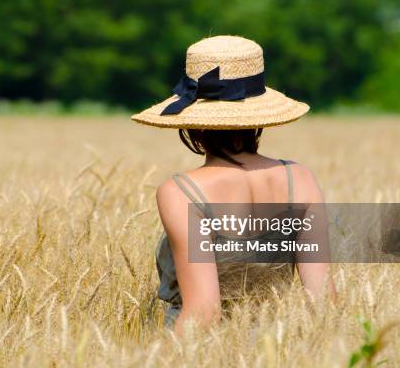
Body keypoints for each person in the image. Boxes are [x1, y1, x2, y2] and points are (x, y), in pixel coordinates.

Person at [131, 35, 336, 333]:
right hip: (277, 350)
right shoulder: (300, 178)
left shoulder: (180, 193)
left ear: (193, 126)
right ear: (258, 118)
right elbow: (322, 302)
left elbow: (203, 313)